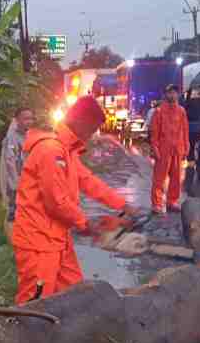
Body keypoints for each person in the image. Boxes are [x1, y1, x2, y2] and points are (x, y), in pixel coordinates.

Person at [12, 95, 132, 305]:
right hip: (38, 242)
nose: (92, 135)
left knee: (74, 297)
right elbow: (56, 202)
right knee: (34, 306)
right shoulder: (51, 151)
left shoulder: (66, 151)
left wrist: (122, 205)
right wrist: (86, 224)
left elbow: (87, 181)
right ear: (81, 121)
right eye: (92, 129)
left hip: (58, 238)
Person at [149, 84, 190, 214]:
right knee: (159, 179)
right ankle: (157, 204)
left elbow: (184, 130)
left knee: (176, 178)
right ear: (166, 94)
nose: (172, 95)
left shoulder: (181, 111)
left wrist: (186, 146)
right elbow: (154, 132)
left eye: (174, 93)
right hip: (163, 149)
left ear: (178, 94)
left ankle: (172, 201)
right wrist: (155, 147)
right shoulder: (159, 111)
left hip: (177, 149)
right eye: (170, 93)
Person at [0, 107, 35, 239]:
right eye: (26, 118)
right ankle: (11, 240)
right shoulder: (12, 138)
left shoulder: (29, 135)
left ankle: (23, 237)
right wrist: (16, 182)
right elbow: (10, 161)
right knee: (13, 210)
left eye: (31, 118)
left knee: (27, 211)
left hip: (27, 180)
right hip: (16, 181)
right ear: (17, 120)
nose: (29, 121)